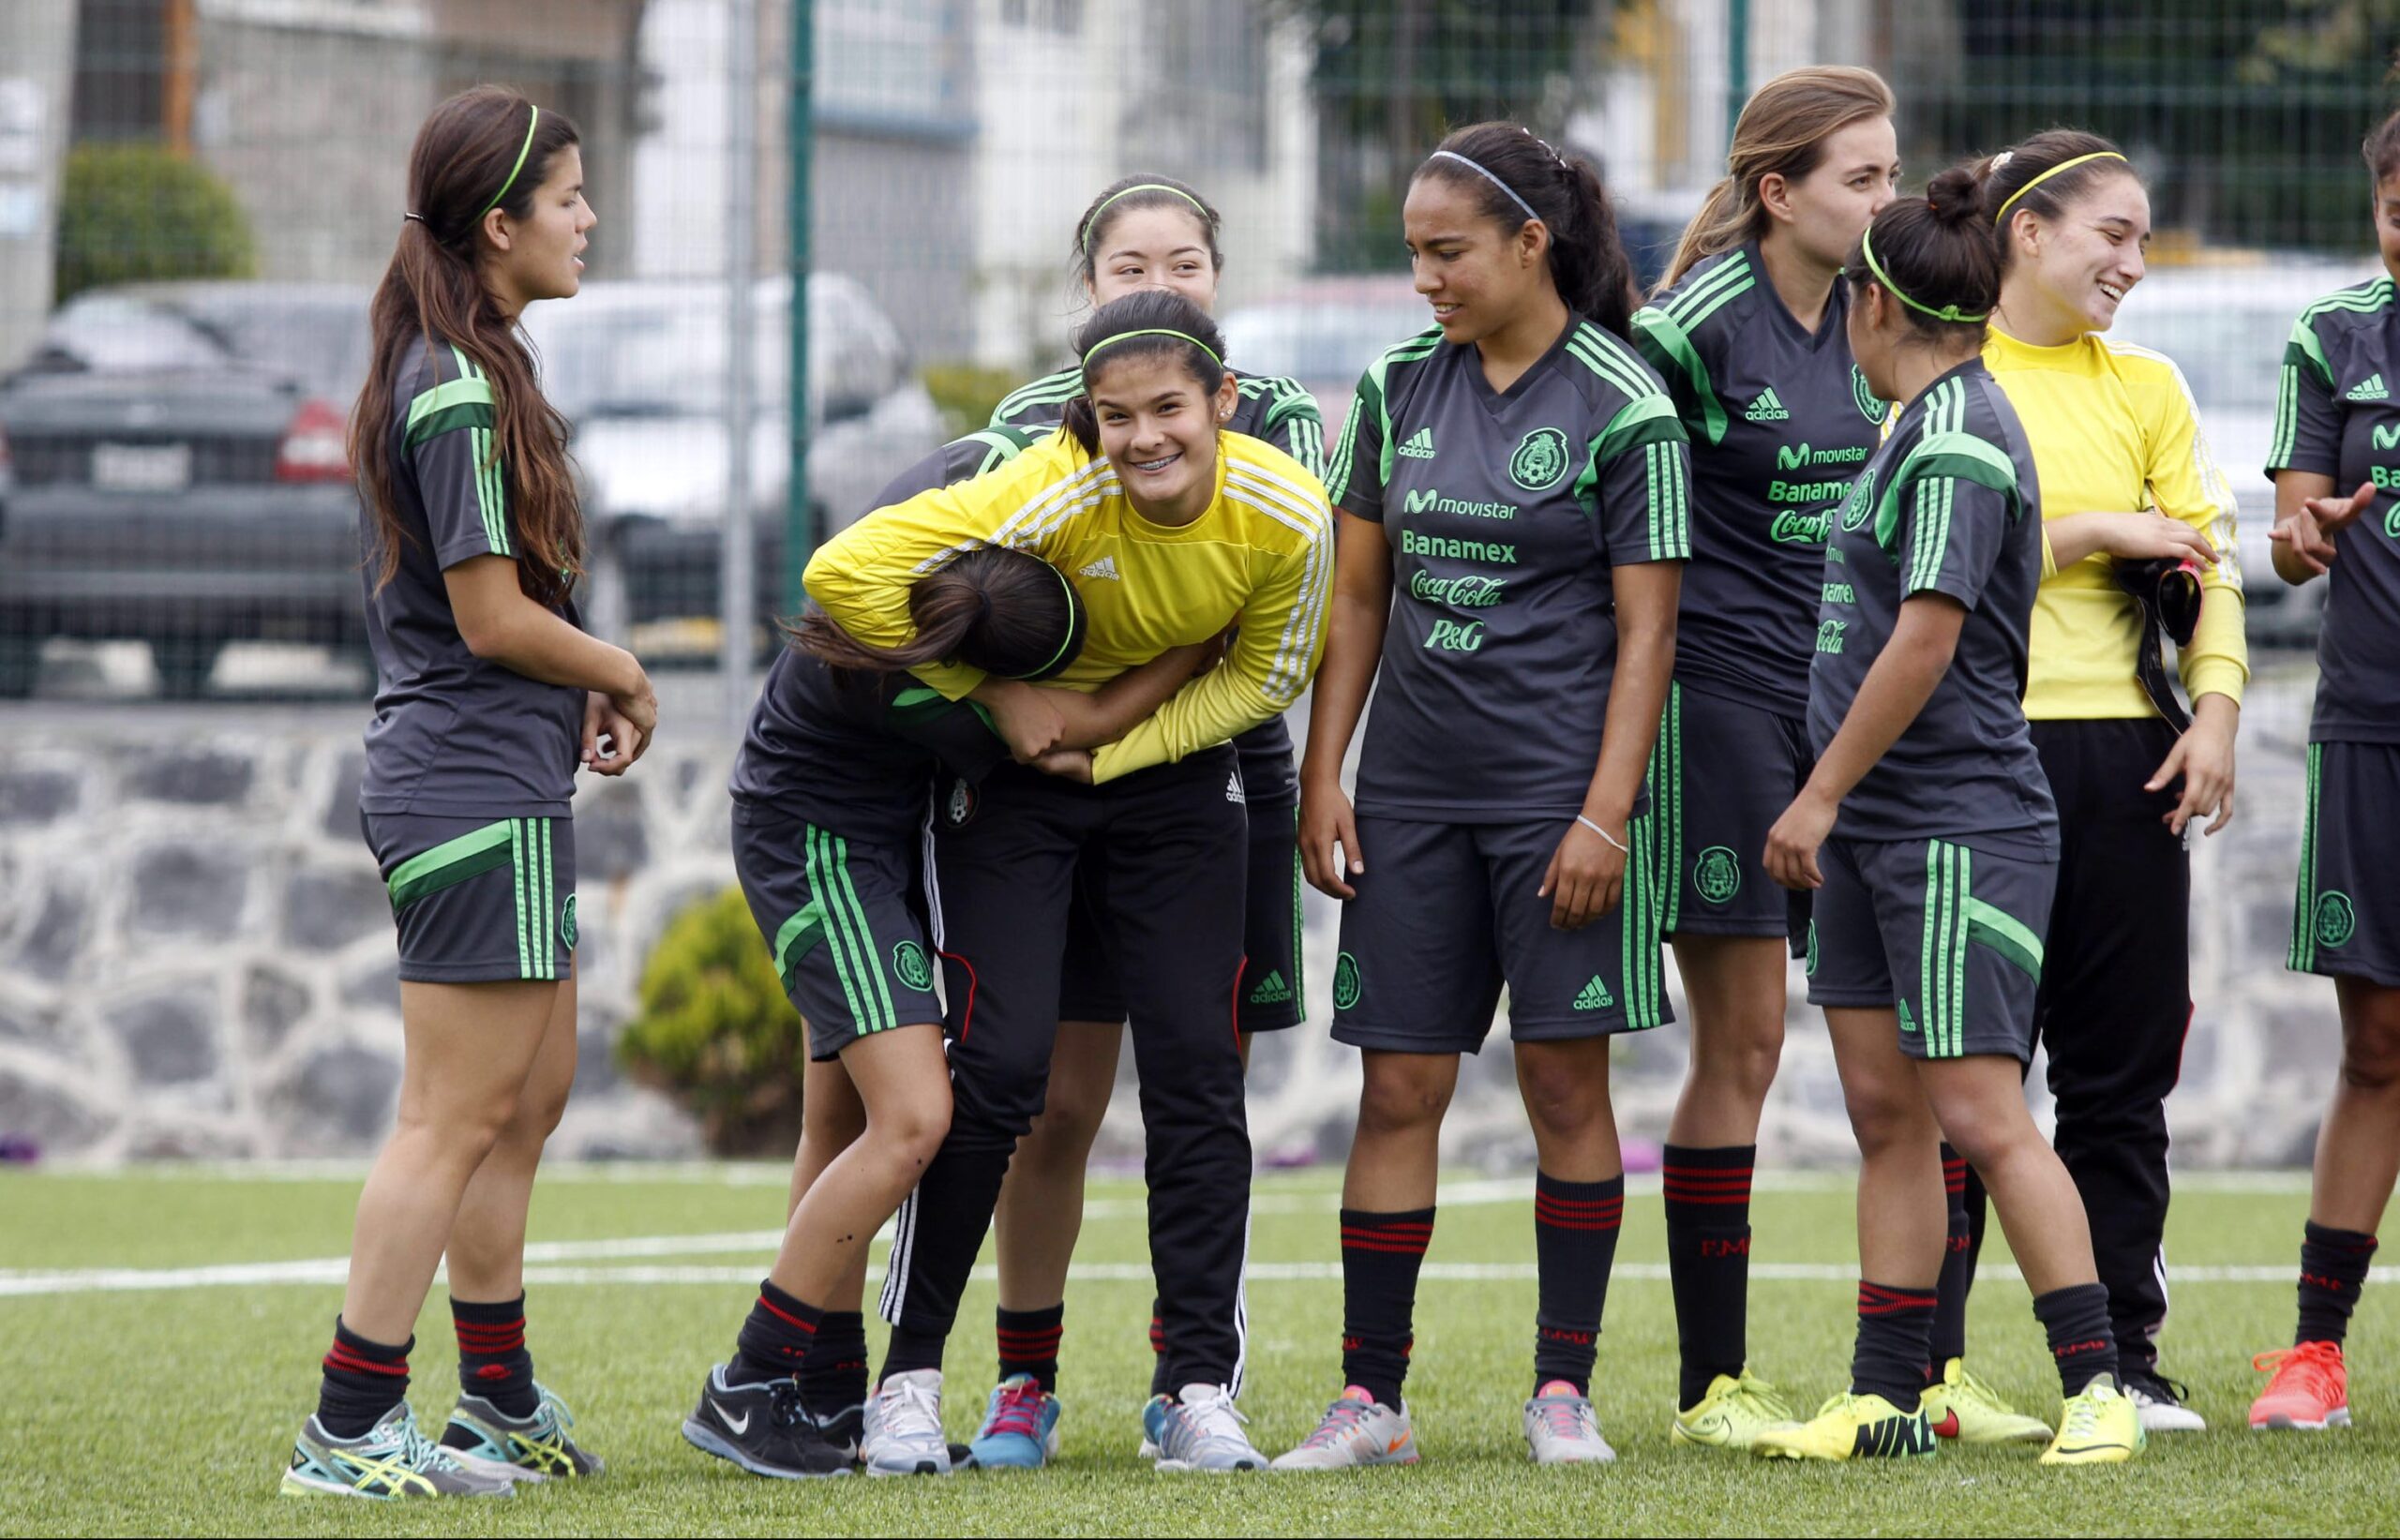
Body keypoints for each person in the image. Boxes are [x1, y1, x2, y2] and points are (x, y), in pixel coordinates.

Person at [810, 290, 1332, 1475]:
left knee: (1199, 1078)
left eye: (1168, 410)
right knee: (993, 1074)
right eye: (1115, 416)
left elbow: (1263, 679)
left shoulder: (1287, 514)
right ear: (1084, 419)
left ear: (1223, 404)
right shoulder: (1047, 485)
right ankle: (911, 1381)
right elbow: (844, 574)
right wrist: (996, 700)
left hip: (1171, 777)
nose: (1144, 438)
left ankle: (1195, 1387)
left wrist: (1110, 743)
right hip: (1017, 780)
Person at [1278, 120, 1687, 1470]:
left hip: (1554, 803)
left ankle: (1561, 1391)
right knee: (1398, 1087)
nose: (1425, 280)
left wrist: (1602, 814)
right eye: (1412, 254)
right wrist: (1324, 772)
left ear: (1531, 243)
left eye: (1447, 252)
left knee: (1567, 1090)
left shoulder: (1625, 404)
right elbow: (1357, 593)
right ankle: (1368, 1399)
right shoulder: (1398, 386)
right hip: (1411, 798)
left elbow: (1649, 635)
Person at [281, 86, 649, 1500]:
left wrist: (583, 694)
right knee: (450, 1113)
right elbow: (491, 618)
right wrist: (623, 667)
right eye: (566, 197)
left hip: (509, 779)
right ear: (498, 225)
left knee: (529, 1093)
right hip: (464, 785)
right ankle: (349, 1422)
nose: (587, 217)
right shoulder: (451, 380)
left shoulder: (481, 361)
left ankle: (494, 1400)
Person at [1753, 175, 2143, 1468]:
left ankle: (2098, 1384)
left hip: (1954, 822)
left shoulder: (1962, 435)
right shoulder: (1918, 422)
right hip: (1876, 829)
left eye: (1842, 304)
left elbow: (1926, 639)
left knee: (1979, 1108)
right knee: (1886, 1109)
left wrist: (1818, 791)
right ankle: (1888, 1396)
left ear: (1874, 304)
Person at [681, 547, 1205, 1478]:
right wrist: (1197, 640)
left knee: (839, 1120)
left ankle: (833, 1388)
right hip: (825, 852)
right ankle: (749, 1380)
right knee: (916, 1116)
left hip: (874, 845)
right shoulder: (939, 695)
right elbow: (1078, 733)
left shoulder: (901, 602)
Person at [973, 175, 1326, 1452]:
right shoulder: (1036, 421)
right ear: (1088, 289)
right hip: (1058, 779)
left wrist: (1323, 774)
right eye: (1132, 265)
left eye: (1186, 261)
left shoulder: (1278, 417)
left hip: (1218, 768)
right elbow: (989, 603)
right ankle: (1025, 1375)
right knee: (1055, 1099)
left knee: (1200, 1083)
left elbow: (1281, 616)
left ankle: (1196, 1380)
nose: (1160, 283)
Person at [1940, 129, 2246, 1438]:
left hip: (2129, 756)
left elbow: (2210, 563)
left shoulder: (2150, 389)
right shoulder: (1947, 375)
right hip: (1971, 757)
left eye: (2140, 236)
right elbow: (1926, 546)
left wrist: (2219, 709)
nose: (2133, 259)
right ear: (2027, 231)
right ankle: (1927, 1368)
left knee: (2119, 1079)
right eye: (2111, 233)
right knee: (1965, 1076)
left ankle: (2126, 1354)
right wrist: (2097, 531)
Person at [1629, 64, 1899, 1450]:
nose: (1888, 200)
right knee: (1741, 1037)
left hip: (1846, 710)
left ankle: (1919, 1370)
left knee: (1905, 1044)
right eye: (1863, 178)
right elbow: (1624, 536)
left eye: (1894, 173)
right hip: (1719, 712)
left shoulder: (1880, 311)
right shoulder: (1692, 330)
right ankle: (1713, 1385)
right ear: (1780, 193)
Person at [2248, 105, 2400, 1434]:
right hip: (2369, 723)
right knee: (2378, 1043)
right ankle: (2315, 1354)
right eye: (2399, 206)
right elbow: (2294, 532)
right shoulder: (2335, 336)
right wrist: (2306, 532)